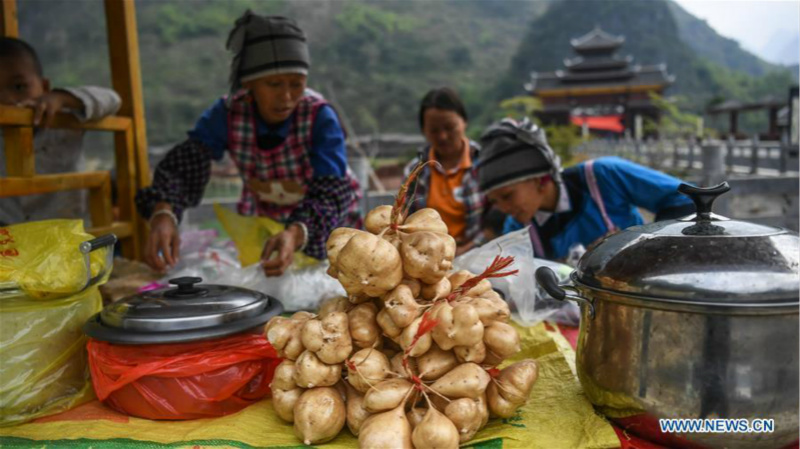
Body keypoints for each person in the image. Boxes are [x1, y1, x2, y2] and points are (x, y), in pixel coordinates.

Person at [136, 12, 361, 276]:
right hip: (266, 220)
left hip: (325, 221)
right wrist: (165, 213)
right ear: (249, 83)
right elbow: (184, 166)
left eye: (296, 84)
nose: (287, 97)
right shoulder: (227, 113)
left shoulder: (320, 117)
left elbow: (330, 192)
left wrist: (296, 232)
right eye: (274, 84)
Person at [477, 117, 695, 261]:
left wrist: (638, 243)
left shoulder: (603, 176)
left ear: (538, 178)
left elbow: (686, 197)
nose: (503, 208)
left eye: (507, 196)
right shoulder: (517, 229)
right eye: (495, 201)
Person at [0, 37, 121, 226]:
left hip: (69, 237)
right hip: (14, 243)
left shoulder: (65, 121)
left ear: (45, 87)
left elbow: (112, 100)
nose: (7, 99)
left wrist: (63, 98)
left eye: (19, 87)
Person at [405, 87, 485, 255]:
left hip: (477, 255)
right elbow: (405, 221)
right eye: (434, 130)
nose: (442, 136)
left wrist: (464, 250)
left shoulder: (484, 164)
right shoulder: (415, 172)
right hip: (426, 258)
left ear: (464, 121)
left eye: (449, 127)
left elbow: (497, 220)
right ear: (423, 131)